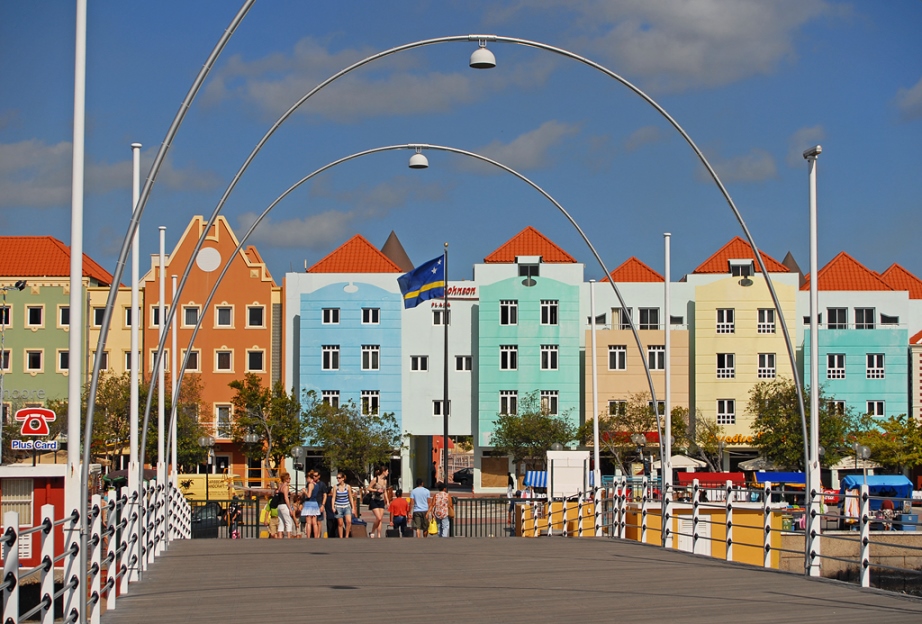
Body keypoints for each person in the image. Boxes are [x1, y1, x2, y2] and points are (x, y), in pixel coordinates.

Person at [367, 466, 390, 538]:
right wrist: (376, 490)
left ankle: (379, 535)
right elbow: (368, 488)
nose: (388, 473)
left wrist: (387, 501)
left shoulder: (385, 481)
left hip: (381, 500)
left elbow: (385, 491)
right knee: (378, 518)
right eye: (387, 471)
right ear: (383, 471)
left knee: (380, 519)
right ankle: (372, 531)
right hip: (374, 500)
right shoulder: (375, 479)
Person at [301, 470, 324, 538]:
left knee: (308, 522)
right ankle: (316, 536)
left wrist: (304, 491)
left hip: (309, 503)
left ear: (308, 478)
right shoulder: (316, 484)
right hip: (315, 503)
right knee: (315, 522)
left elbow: (309, 495)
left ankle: (308, 536)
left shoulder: (310, 484)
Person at [332, 472, 356, 538]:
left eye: (339, 478)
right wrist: (333, 506)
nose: (338, 479)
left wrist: (353, 507)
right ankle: (341, 537)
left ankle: (347, 536)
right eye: (337, 478)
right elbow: (333, 497)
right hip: (338, 506)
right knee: (340, 523)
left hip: (347, 506)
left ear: (343, 478)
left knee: (348, 521)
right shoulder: (335, 487)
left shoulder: (347, 487)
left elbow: (350, 497)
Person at [277, 472, 294, 538]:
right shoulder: (286, 487)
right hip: (284, 505)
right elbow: (286, 498)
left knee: (281, 522)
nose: (290, 479)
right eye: (289, 478)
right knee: (288, 521)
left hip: (279, 505)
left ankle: (280, 536)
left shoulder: (280, 486)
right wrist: (290, 508)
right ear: (286, 479)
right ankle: (289, 537)